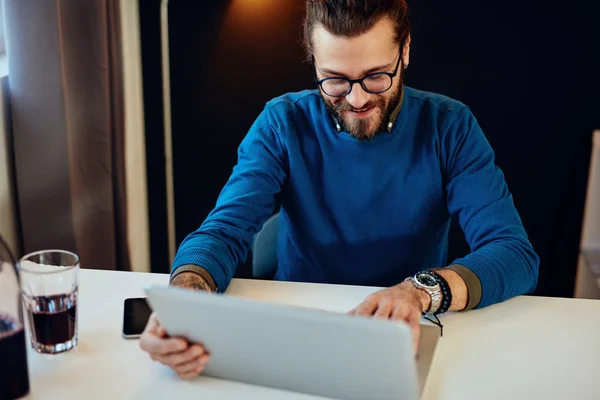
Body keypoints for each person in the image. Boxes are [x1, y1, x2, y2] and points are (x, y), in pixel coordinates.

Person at [139, 0, 539, 380]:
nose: (358, 98)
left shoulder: (450, 127)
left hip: (407, 327)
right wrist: (185, 307)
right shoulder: (282, 123)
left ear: (406, 51)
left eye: (376, 76)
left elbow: (513, 253)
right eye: (335, 80)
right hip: (300, 327)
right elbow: (223, 232)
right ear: (313, 61)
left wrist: (419, 292)